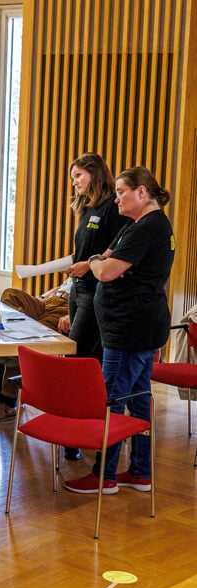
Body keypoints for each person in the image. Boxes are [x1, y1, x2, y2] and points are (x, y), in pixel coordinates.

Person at [64, 167, 175, 495]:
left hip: (130, 331)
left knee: (111, 400)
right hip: (134, 328)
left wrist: (98, 266)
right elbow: (106, 256)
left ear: (142, 193)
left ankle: (104, 475)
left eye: (121, 192)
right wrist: (101, 262)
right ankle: (140, 471)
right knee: (138, 401)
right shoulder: (138, 225)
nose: (116, 199)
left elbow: (106, 269)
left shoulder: (148, 228)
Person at [0, 285, 71, 425]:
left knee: (31, 339)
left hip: (66, 308)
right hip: (49, 301)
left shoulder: (95, 270)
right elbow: (62, 286)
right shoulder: (78, 269)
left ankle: (8, 403)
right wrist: (42, 297)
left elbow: (89, 300)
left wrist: (70, 315)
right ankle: (8, 343)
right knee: (10, 293)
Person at [60, 153, 125, 360]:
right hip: (77, 289)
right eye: (72, 178)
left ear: (94, 173)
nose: (74, 182)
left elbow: (117, 250)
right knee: (83, 355)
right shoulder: (88, 208)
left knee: (75, 355)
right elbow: (86, 248)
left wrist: (87, 266)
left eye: (78, 175)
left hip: (95, 291)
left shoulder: (113, 208)